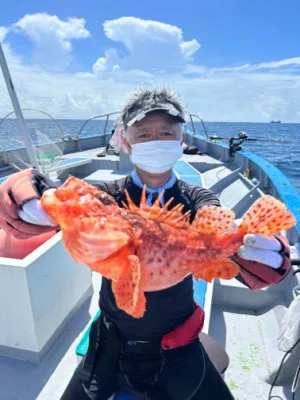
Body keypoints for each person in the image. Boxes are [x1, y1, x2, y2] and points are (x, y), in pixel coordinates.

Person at [0, 88, 291, 400]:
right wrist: (25, 188)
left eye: (167, 132)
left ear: (182, 141)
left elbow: (215, 219)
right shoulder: (106, 194)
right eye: (144, 133)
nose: (156, 141)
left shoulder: (197, 199)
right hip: (109, 343)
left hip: (179, 345)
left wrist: (267, 256)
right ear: (126, 142)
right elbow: (72, 195)